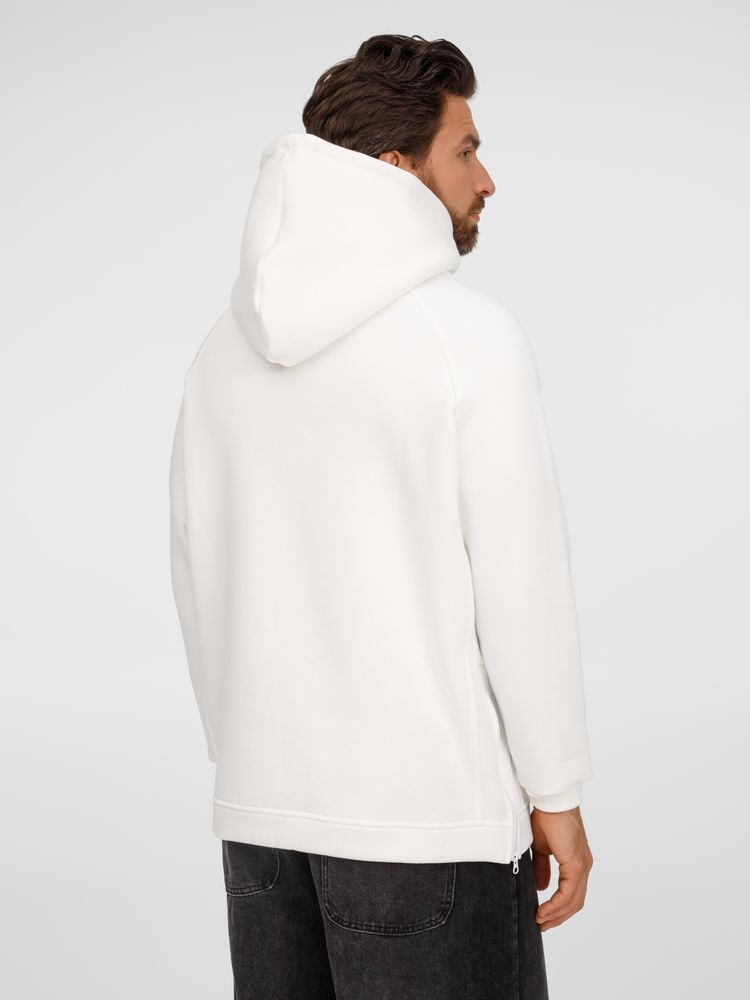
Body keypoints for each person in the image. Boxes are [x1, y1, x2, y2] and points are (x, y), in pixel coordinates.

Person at [168, 32, 594, 1000]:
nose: (486, 179)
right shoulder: (469, 340)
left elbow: (197, 574)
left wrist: (251, 753)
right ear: (396, 170)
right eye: (466, 149)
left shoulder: (219, 355)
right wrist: (557, 791)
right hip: (427, 826)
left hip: (262, 821)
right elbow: (521, 590)